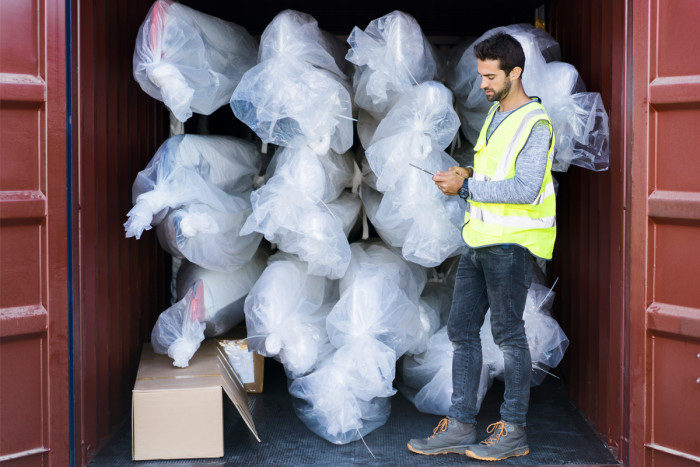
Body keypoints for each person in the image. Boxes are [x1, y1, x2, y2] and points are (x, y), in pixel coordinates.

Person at [407, 32, 556, 461]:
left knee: (509, 337)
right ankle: (460, 425)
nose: (483, 84)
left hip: (510, 247)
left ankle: (513, 431)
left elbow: (526, 187)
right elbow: (492, 169)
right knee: (461, 331)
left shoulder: (536, 123)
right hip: (479, 240)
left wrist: (467, 185)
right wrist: (465, 170)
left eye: (491, 77)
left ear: (516, 73)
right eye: (480, 75)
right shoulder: (494, 115)